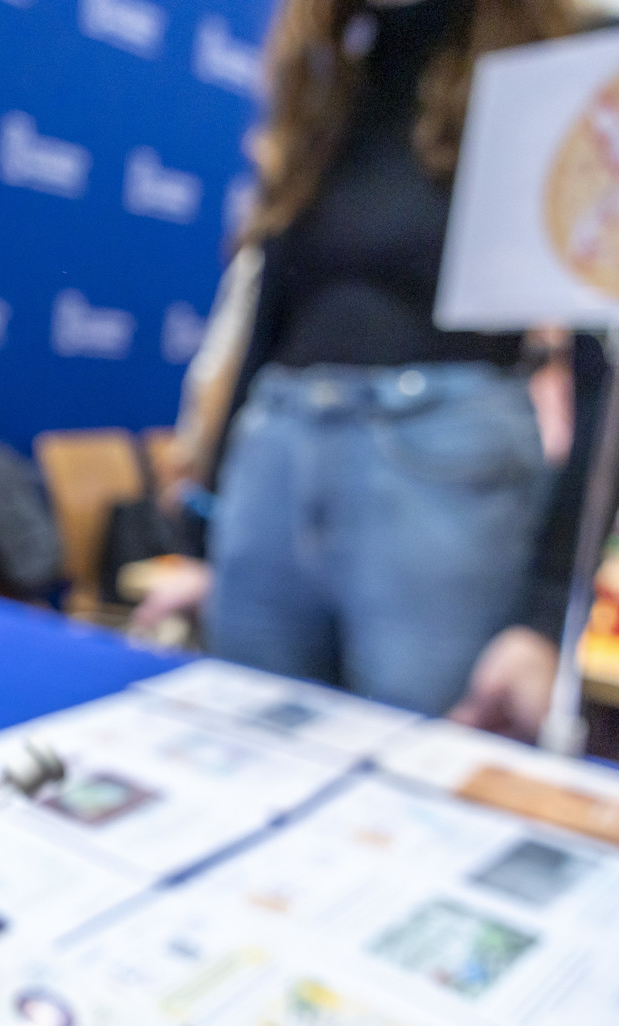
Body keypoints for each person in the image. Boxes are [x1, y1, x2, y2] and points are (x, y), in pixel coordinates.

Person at [172, 0, 599, 731]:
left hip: (442, 480)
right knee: (243, 747)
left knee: (416, 766)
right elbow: (271, 321)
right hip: (274, 462)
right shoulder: (328, 90)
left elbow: (598, 370)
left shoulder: (543, 87)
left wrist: (543, 615)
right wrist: (205, 534)